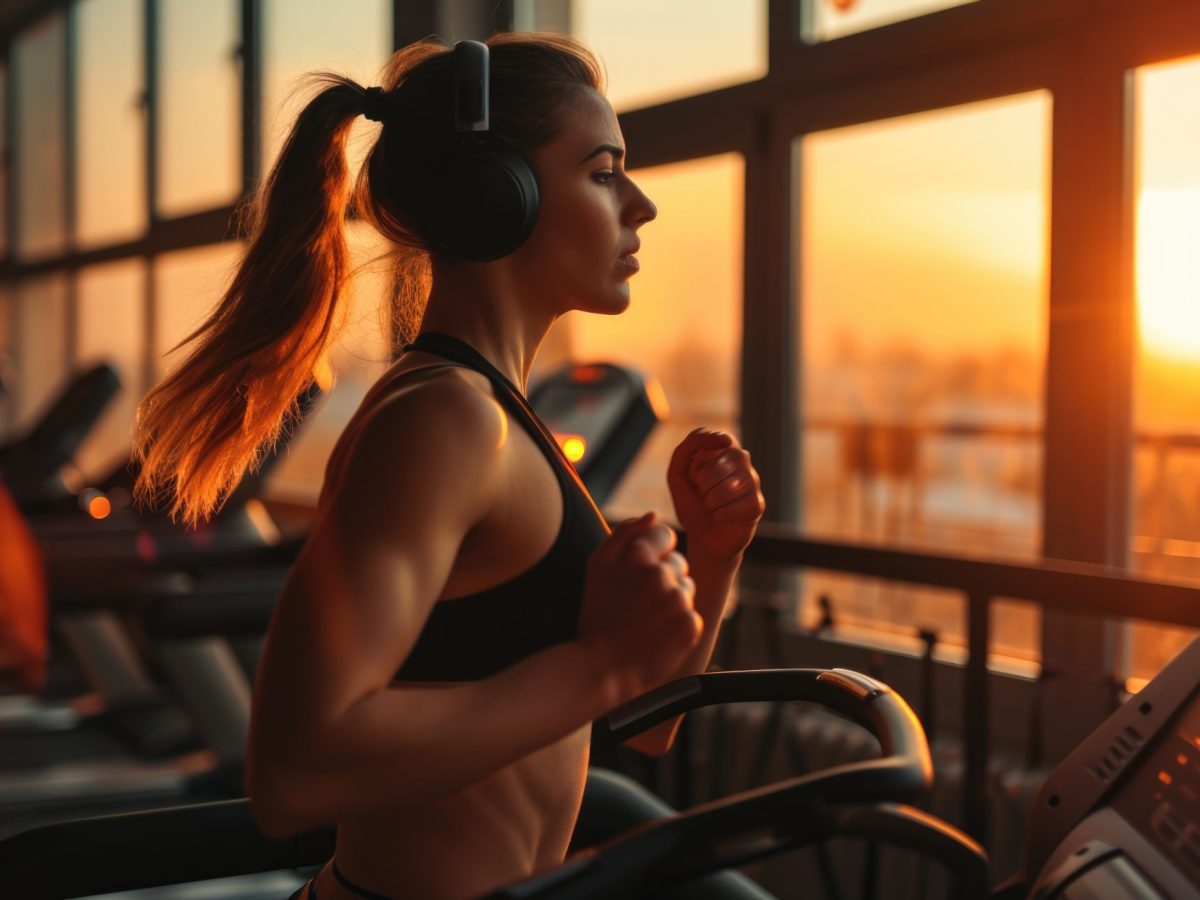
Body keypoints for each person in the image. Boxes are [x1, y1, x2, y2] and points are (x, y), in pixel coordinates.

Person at [134, 32, 765, 900]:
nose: (642, 203)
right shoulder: (445, 421)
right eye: (603, 170)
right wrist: (599, 664)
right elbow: (296, 774)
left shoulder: (497, 414)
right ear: (493, 198)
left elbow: (635, 723)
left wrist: (712, 554)